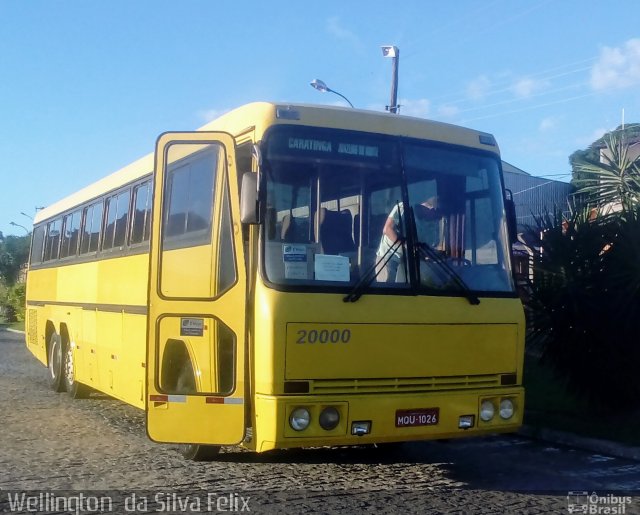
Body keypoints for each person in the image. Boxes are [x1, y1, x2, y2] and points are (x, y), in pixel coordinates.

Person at [376, 197, 443, 283]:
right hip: (388, 257)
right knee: (387, 292)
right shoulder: (404, 208)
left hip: (406, 263)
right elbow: (387, 229)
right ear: (431, 209)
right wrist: (407, 245)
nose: (435, 220)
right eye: (436, 216)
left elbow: (421, 249)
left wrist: (435, 254)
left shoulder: (427, 227)